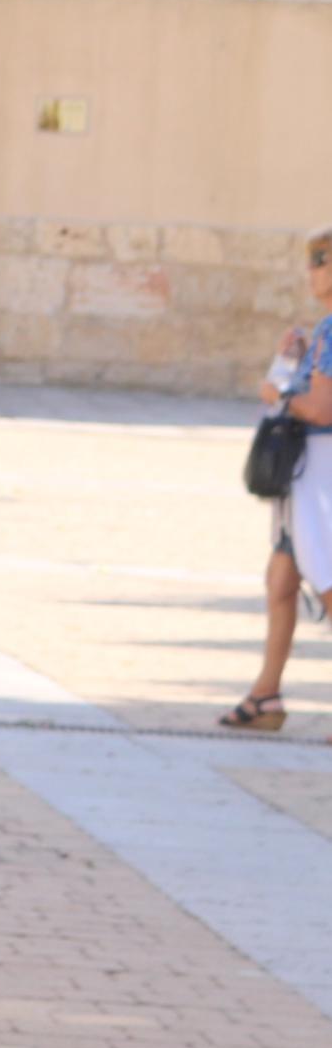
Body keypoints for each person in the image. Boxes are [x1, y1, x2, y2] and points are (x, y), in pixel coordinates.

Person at [221, 224, 332, 731]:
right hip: (309, 475)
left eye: (319, 260)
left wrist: (277, 393)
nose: (310, 272)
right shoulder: (323, 330)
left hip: (319, 474)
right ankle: (266, 695)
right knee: (282, 579)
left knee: (326, 580)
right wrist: (294, 361)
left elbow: (320, 408)